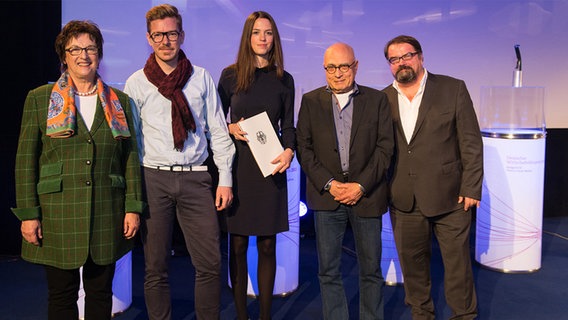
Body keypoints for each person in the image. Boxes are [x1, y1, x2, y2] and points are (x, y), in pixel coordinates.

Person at [11, 20, 144, 320]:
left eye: (91, 48)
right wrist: (29, 214)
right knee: (61, 295)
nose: (84, 55)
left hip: (107, 211)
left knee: (100, 294)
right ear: (64, 56)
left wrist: (133, 207)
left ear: (99, 53)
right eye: (75, 49)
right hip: (58, 212)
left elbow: (130, 157)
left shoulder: (120, 102)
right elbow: (25, 161)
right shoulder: (39, 99)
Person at [123, 4, 235, 320]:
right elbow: (132, 142)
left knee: (210, 262)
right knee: (155, 265)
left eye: (171, 33)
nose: (166, 41)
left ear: (182, 35)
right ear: (148, 38)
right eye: (158, 35)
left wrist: (224, 178)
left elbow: (217, 130)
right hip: (152, 177)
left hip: (196, 177)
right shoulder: (136, 83)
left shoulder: (200, 78)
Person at [382, 35, 483, 319]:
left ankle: (463, 315)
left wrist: (472, 187)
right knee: (412, 269)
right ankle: (422, 314)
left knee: (457, 268)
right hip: (403, 198)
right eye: (394, 59)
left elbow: (471, 143)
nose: (402, 62)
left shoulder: (453, 89)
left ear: (421, 57)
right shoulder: (382, 99)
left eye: (407, 55)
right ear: (389, 65)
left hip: (452, 197)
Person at [296, 42, 393, 320]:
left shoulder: (376, 100)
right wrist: (330, 184)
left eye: (343, 66)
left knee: (371, 270)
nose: (337, 73)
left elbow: (385, 148)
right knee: (328, 271)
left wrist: (360, 186)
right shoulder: (311, 101)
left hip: (367, 195)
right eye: (331, 67)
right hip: (328, 197)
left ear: (356, 66)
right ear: (324, 69)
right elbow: (305, 148)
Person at [217, 11, 295, 320]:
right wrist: (228, 128)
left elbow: (288, 126)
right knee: (237, 246)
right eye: (256, 32)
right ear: (247, 38)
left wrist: (289, 151)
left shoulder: (283, 79)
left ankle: (264, 315)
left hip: (270, 169)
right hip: (237, 170)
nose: (262, 38)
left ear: (274, 39)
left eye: (268, 33)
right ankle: (240, 314)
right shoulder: (230, 75)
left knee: (267, 246)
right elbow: (213, 120)